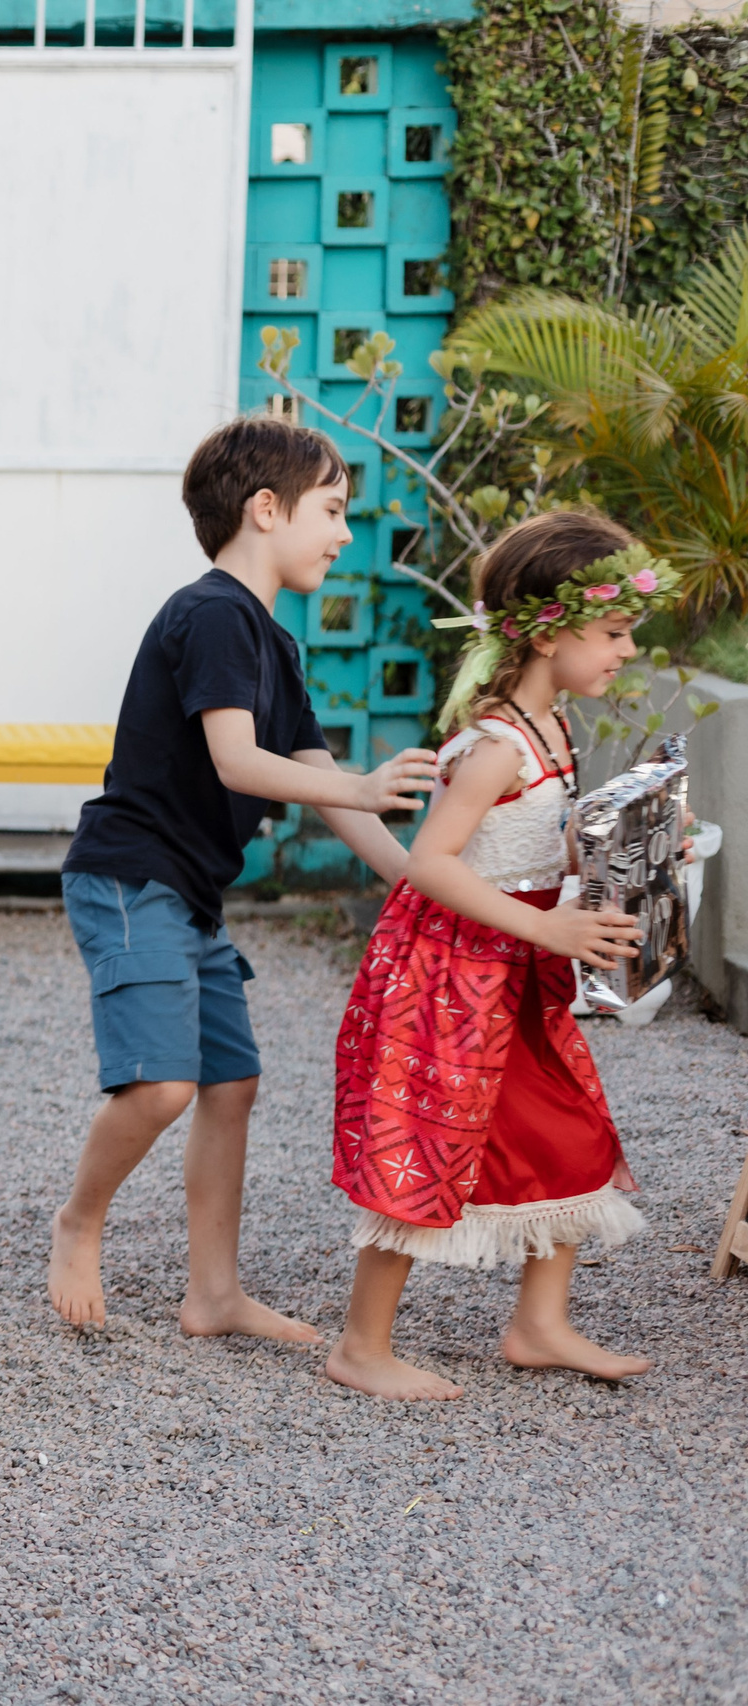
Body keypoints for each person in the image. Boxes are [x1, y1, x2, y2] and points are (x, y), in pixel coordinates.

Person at [46, 415, 438, 1339]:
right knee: (161, 1086)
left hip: (191, 892)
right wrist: (366, 787)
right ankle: (78, 1221)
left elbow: (323, 786)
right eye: (332, 511)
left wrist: (416, 882)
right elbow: (238, 760)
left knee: (231, 1084)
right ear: (267, 508)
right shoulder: (214, 613)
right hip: (131, 876)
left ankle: (214, 1295)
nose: (344, 534)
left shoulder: (274, 644)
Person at [326, 511, 668, 1400]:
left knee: (568, 1129)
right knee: (427, 1139)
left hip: (516, 969)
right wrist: (549, 929)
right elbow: (432, 864)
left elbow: (541, 845)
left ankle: (539, 1325)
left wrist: (643, 847)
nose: (628, 650)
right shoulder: (494, 746)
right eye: (614, 631)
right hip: (453, 973)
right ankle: (361, 1345)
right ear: (549, 634)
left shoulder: (553, 727)